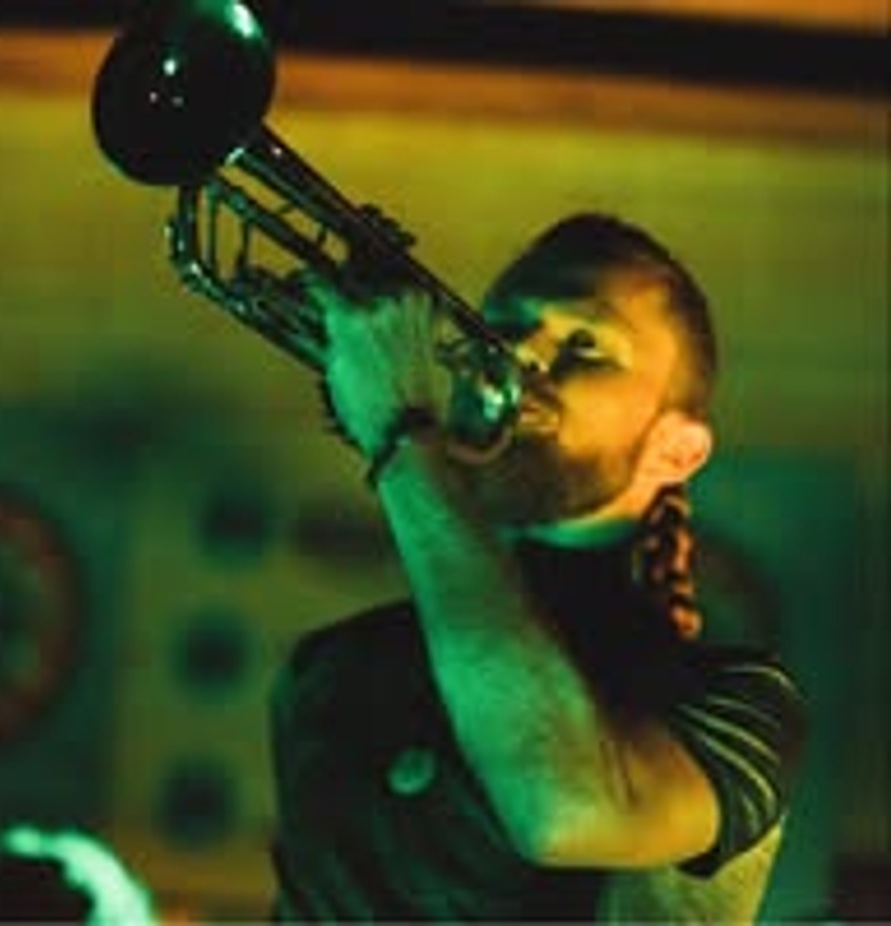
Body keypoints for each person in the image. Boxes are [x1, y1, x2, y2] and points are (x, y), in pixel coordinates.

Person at [268, 213, 805, 921]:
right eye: (502, 327)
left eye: (584, 344)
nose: (517, 355)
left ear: (675, 451)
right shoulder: (334, 670)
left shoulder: (738, 702)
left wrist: (403, 439)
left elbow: (565, 811)